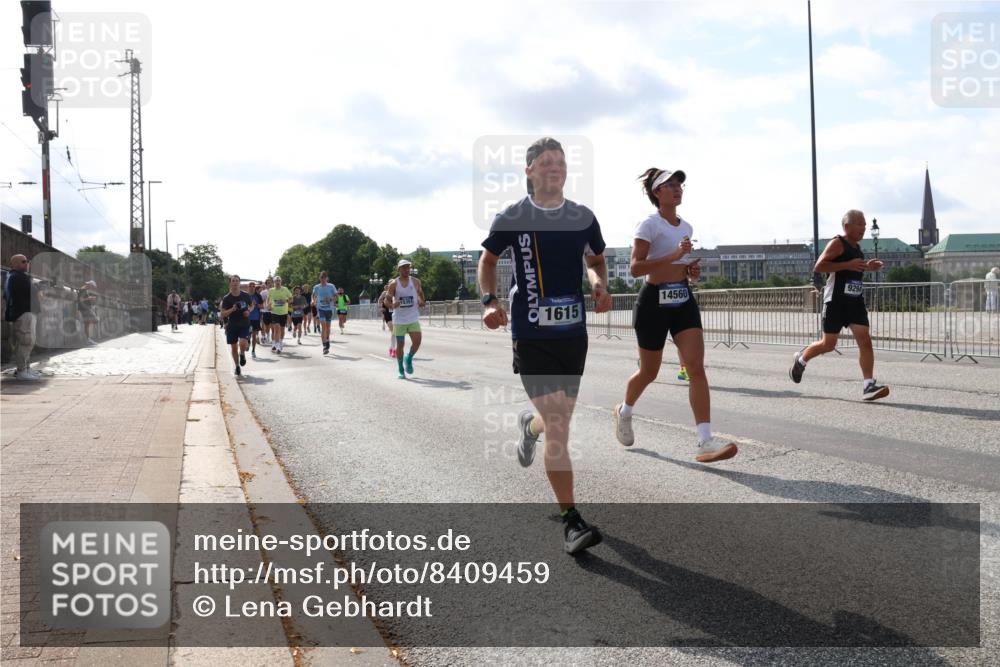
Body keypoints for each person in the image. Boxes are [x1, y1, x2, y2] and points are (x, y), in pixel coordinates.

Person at [479, 136, 612, 555]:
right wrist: (489, 301)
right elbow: (488, 259)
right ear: (530, 170)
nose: (555, 167)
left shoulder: (582, 217)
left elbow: (595, 259)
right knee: (559, 424)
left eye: (561, 161)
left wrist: (600, 284)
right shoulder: (513, 216)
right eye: (546, 162)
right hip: (531, 332)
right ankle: (571, 521)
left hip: (573, 333)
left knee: (556, 421)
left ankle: (528, 426)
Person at [612, 167, 738, 463]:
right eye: (670, 185)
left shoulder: (686, 227)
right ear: (657, 193)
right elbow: (635, 268)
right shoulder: (649, 224)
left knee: (696, 367)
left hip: (682, 298)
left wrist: (690, 272)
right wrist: (672, 256)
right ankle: (624, 410)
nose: (677, 188)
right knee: (649, 371)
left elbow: (681, 269)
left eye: (679, 184)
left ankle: (705, 441)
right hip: (653, 302)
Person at [789, 209, 888, 401]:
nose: (864, 227)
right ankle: (801, 360)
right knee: (828, 344)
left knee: (865, 339)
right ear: (847, 226)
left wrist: (867, 267)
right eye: (860, 223)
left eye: (865, 224)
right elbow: (819, 266)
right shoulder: (837, 243)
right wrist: (848, 265)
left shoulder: (857, 248)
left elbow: (852, 268)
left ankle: (868, 385)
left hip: (855, 301)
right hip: (835, 301)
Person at [4, 254, 41, 380]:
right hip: (23, 313)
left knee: (27, 342)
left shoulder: (15, 276)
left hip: (24, 313)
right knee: (26, 342)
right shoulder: (16, 277)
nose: (27, 263)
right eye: (23, 261)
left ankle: (26, 369)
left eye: (27, 261)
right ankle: (22, 371)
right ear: (14, 264)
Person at [387, 259, 425, 379]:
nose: (407, 270)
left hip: (413, 317)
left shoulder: (415, 281)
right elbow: (386, 300)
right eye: (404, 267)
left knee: (417, 341)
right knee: (400, 344)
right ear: (399, 269)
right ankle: (400, 369)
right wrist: (392, 305)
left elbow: (421, 294)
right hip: (399, 319)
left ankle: (408, 357)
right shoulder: (394, 284)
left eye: (408, 267)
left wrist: (422, 301)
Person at [220, 274, 253, 376]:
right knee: (234, 348)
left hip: (244, 323)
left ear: (239, 283)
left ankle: (242, 354)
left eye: (236, 281)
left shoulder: (246, 295)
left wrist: (248, 311)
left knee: (243, 342)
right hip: (232, 325)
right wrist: (232, 309)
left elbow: (251, 306)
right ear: (230, 283)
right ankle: (237, 366)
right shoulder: (227, 298)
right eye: (233, 281)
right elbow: (223, 314)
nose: (235, 283)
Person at [312, 271, 337, 354]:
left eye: (324, 278)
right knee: (323, 326)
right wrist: (313, 301)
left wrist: (330, 299)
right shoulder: (316, 287)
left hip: (329, 309)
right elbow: (313, 296)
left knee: (328, 327)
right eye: (321, 278)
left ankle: (327, 340)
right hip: (320, 309)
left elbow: (336, 296)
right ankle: (325, 345)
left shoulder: (331, 286)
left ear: (327, 278)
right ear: (320, 278)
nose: (323, 280)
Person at [267, 276, 292, 353]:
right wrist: (268, 306)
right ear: (274, 282)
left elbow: (291, 299)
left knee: (282, 329)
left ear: (281, 282)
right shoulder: (271, 290)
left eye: (279, 281)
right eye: (276, 281)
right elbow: (268, 300)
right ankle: (276, 345)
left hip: (283, 312)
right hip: (274, 312)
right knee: (276, 328)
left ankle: (280, 343)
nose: (277, 282)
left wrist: (286, 300)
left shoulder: (285, 289)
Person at [77, 280, 99, 344]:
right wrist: (89, 298)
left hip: (85, 308)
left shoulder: (84, 290)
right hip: (85, 309)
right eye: (92, 287)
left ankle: (88, 340)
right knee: (95, 320)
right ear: (89, 285)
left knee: (87, 324)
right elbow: (80, 300)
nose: (92, 288)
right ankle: (89, 339)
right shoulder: (82, 290)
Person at [247, 282, 263, 358]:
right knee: (247, 334)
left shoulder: (258, 296)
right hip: (246, 318)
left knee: (254, 335)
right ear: (248, 287)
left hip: (255, 318)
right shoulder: (245, 296)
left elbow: (262, 306)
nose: (252, 287)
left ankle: (253, 351)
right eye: (250, 286)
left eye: (253, 286)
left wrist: (256, 304)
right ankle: (248, 341)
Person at [378, 288, 395, 356]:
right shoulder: (385, 293)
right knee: (393, 331)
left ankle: (392, 348)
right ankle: (393, 349)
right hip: (387, 314)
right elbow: (379, 300)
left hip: (396, 314)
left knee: (395, 332)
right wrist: (380, 307)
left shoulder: (398, 292)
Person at [259, 277, 273, 345]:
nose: (270, 284)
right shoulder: (263, 292)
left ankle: (268, 336)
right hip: (264, 311)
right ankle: (263, 336)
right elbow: (260, 301)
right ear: (266, 284)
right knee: (264, 325)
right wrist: (265, 302)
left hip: (272, 311)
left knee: (269, 326)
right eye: (268, 283)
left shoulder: (274, 291)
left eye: (271, 283)